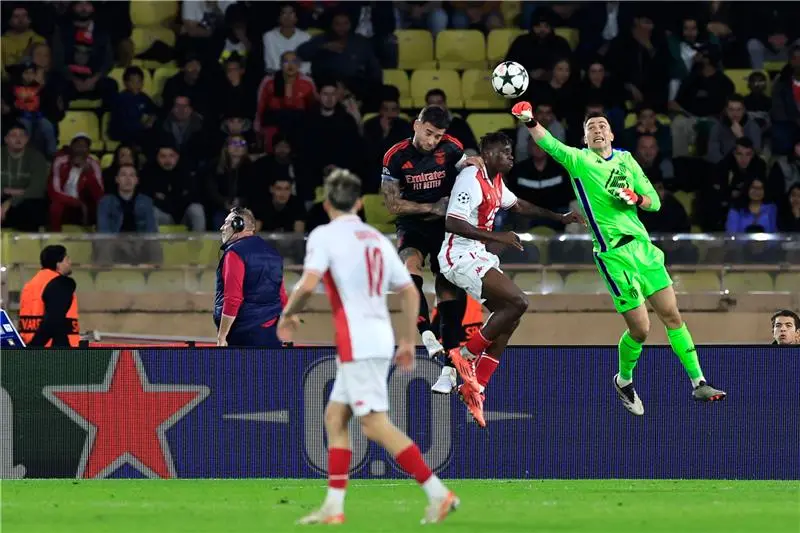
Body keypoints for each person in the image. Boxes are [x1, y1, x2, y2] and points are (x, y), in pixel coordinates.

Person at [512, 100, 727, 416]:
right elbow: (550, 143)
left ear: (611, 133)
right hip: (614, 256)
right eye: (590, 128)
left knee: (672, 316)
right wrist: (530, 122)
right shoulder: (579, 161)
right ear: (585, 139)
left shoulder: (627, 161)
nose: (597, 130)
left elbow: (653, 202)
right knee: (641, 330)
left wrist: (636, 197)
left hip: (644, 250)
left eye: (601, 126)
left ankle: (698, 382)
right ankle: (624, 380)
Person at [277, 169, 458, 525]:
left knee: (374, 425)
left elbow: (308, 282)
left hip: (357, 341)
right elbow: (408, 289)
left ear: (326, 204)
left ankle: (439, 493)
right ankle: (334, 506)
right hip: (377, 336)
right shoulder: (375, 237)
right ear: (360, 203)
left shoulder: (324, 236)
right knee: (335, 416)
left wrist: (288, 315)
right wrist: (407, 338)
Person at [438, 132, 583, 427]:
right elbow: (452, 222)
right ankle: (463, 357)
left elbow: (518, 205)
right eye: (505, 151)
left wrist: (558, 217)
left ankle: (475, 385)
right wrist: (497, 236)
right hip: (459, 256)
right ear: (488, 154)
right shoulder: (471, 177)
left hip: (479, 256)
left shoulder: (496, 181)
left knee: (510, 318)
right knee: (518, 302)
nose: (511, 156)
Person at [381, 105, 473, 395]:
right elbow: (392, 204)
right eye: (429, 133)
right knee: (409, 267)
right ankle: (426, 334)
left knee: (449, 291)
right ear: (416, 125)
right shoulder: (395, 156)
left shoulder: (452, 148)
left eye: (438, 136)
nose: (432, 141)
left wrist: (475, 163)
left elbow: (467, 174)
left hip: (445, 226)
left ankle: (449, 366)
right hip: (412, 224)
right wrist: (429, 206)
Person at [215, 207, 287, 348]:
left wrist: (222, 336)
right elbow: (282, 295)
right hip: (272, 333)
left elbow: (233, 299)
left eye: (226, 223)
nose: (222, 228)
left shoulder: (235, 253)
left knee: (243, 370)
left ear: (238, 225)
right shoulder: (273, 253)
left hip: (243, 335)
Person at [18, 245, 79, 347]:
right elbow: (53, 319)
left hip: (27, 344)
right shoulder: (61, 283)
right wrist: (34, 347)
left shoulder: (30, 285)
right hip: (54, 350)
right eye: (67, 259)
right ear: (58, 263)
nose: (70, 262)